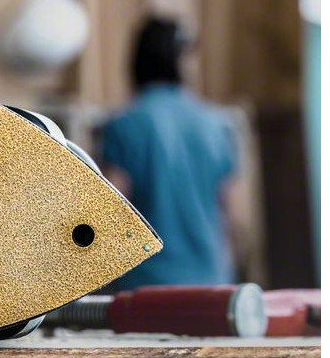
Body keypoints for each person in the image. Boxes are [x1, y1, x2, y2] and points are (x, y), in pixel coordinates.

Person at [99, 16, 242, 288]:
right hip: (211, 285)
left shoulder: (124, 125)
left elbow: (111, 215)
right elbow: (235, 218)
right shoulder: (216, 125)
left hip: (145, 288)